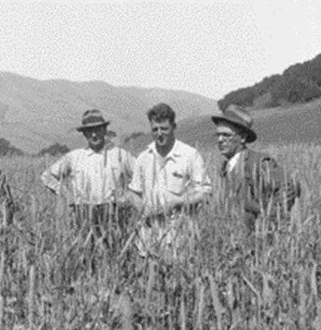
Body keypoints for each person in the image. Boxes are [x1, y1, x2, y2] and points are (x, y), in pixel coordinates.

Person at [41, 109, 135, 252]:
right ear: (84, 134)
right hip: (83, 214)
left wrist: (127, 198)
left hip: (112, 214)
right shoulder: (75, 157)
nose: (93, 134)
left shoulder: (119, 155)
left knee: (112, 254)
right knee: (85, 255)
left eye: (97, 129)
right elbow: (47, 176)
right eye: (89, 131)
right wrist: (67, 195)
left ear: (104, 130)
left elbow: (143, 176)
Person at [128, 103, 212, 258]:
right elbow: (134, 192)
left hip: (179, 238)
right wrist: (142, 209)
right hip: (148, 237)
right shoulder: (143, 157)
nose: (159, 134)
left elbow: (205, 192)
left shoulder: (190, 155)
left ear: (174, 127)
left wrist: (178, 201)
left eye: (164, 129)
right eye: (155, 129)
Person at [212, 104, 301, 233]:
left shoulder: (257, 162)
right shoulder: (225, 168)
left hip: (257, 243)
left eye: (226, 135)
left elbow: (290, 185)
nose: (220, 140)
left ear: (243, 138)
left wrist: (269, 221)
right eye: (218, 135)